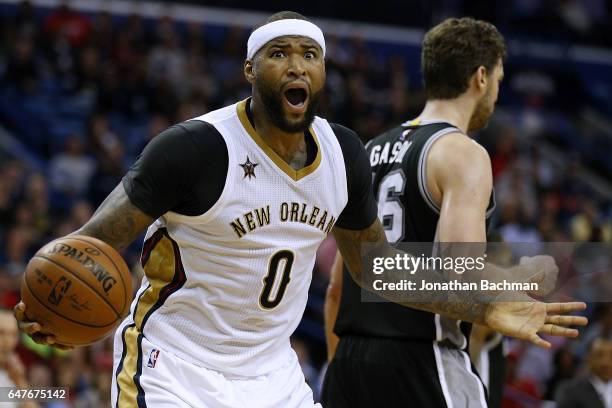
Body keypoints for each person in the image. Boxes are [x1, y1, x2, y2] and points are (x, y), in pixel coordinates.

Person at [14, 12, 586, 408]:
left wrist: (484, 303)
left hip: (272, 372)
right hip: (176, 363)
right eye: (278, 55)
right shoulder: (194, 148)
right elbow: (90, 242)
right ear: (249, 71)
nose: (295, 66)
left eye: (309, 55)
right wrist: (49, 297)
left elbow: (374, 269)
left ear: (322, 74)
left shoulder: (345, 154)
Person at [322, 17, 573, 408]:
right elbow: (461, 273)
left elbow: (338, 288)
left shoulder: (367, 150)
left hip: (350, 362)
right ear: (481, 78)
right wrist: (518, 277)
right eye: (499, 79)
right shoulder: (463, 152)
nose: (495, 93)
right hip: (423, 359)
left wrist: (341, 366)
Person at [556, 337, 612, 408]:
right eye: (599, 355)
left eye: (611, 356)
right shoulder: (571, 391)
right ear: (588, 358)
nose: (606, 362)